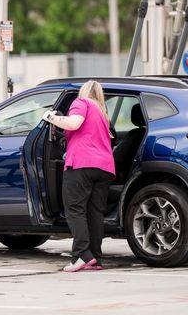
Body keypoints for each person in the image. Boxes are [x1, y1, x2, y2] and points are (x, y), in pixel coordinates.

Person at [43, 80, 115, 272]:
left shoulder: (81, 103)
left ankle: (81, 256)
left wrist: (51, 117)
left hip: (82, 163)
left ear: (83, 92)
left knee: (75, 210)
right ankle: (95, 258)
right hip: (105, 167)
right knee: (94, 213)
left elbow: (74, 123)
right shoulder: (102, 113)